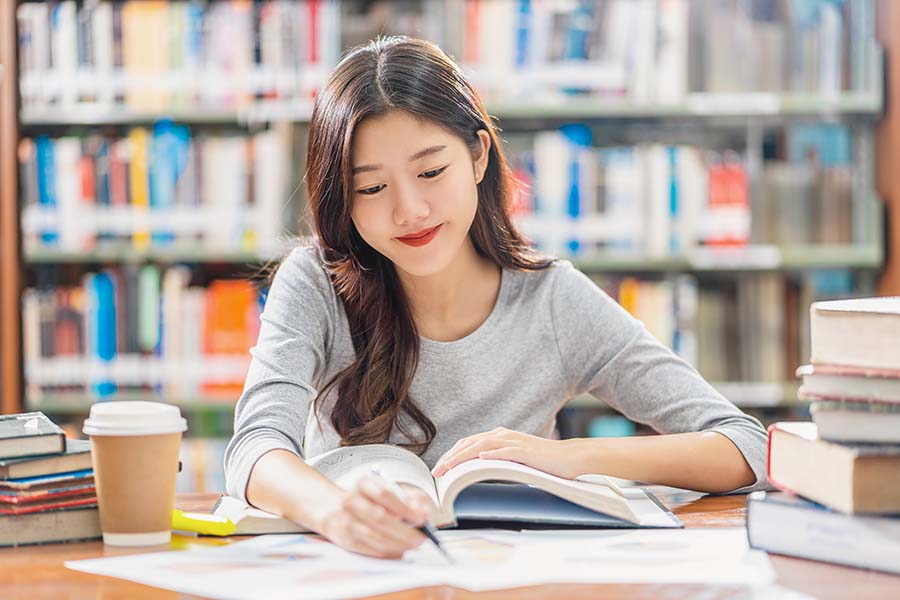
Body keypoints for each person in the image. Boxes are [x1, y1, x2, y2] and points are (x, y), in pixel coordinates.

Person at [224, 36, 768, 559]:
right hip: (357, 567)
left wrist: (564, 460)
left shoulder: (552, 300)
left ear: (478, 156)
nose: (408, 210)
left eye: (431, 171)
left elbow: (743, 445)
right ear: (342, 197)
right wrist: (335, 510)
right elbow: (253, 450)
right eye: (371, 188)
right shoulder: (314, 282)